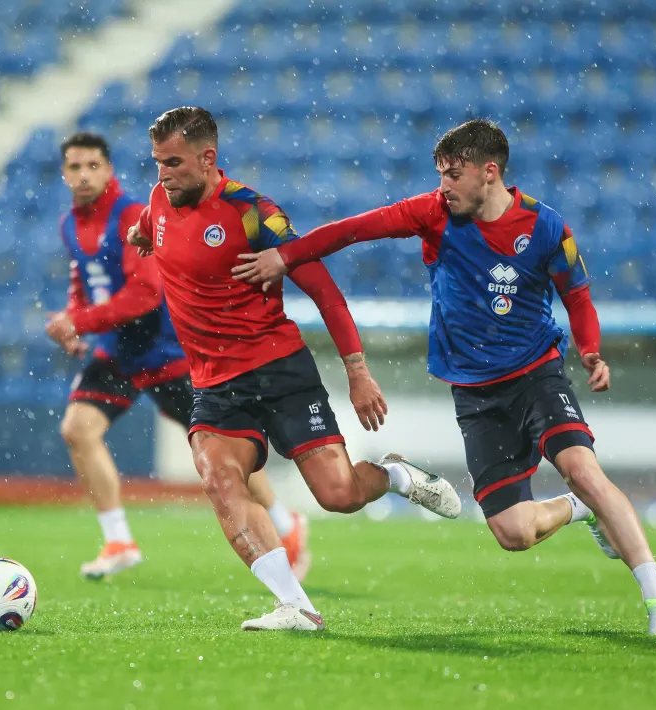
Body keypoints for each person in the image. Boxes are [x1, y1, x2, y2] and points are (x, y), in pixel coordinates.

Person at [232, 119, 656, 635]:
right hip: (475, 395)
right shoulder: (433, 213)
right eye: (440, 174)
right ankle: (578, 509)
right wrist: (286, 255)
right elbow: (354, 229)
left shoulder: (545, 228)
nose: (443, 185)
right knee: (513, 533)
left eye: (453, 174)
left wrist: (592, 351)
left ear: (489, 173)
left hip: (537, 375)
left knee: (582, 465)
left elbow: (576, 296)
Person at [127, 107, 461, 632]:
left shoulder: (253, 214)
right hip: (215, 383)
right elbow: (153, 227)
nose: (162, 174)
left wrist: (358, 372)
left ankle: (396, 475)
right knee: (218, 476)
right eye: (156, 163)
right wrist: (140, 236)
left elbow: (325, 293)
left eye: (173, 163)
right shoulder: (158, 200)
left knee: (340, 495)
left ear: (207, 158)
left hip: (279, 369)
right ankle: (297, 605)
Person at [47, 132, 310, 582]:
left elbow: (147, 294)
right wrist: (76, 320)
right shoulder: (71, 224)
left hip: (163, 352)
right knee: (77, 430)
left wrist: (83, 321)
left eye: (93, 165)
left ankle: (286, 524)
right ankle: (119, 540)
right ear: (63, 173)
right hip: (116, 353)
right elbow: (84, 281)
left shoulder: (131, 215)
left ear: (109, 170)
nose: (84, 175)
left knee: (224, 454)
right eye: (75, 167)